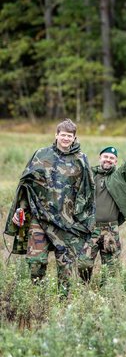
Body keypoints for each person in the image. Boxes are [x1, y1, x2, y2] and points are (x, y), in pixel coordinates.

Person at [5, 119, 95, 295]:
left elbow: (88, 191)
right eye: (63, 135)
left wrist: (84, 219)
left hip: (67, 222)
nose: (65, 138)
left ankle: (63, 301)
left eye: (69, 136)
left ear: (74, 137)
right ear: (56, 135)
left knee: (66, 267)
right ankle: (38, 298)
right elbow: (27, 185)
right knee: (36, 264)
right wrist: (21, 209)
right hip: (40, 218)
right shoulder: (41, 155)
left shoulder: (81, 160)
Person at [79, 125, 126, 283]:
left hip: (110, 229)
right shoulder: (90, 174)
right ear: (100, 158)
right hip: (90, 227)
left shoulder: (119, 176)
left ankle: (106, 293)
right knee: (83, 264)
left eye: (112, 158)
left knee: (111, 267)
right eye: (105, 157)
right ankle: (84, 288)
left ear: (116, 162)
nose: (108, 160)